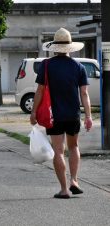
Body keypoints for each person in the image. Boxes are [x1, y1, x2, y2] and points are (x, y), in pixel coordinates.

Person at [30, 28, 93, 199]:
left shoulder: (47, 65)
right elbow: (84, 94)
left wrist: (34, 111)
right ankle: (74, 180)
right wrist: (88, 116)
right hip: (73, 114)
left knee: (58, 151)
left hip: (53, 116)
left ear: (54, 47)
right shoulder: (78, 67)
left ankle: (64, 189)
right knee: (74, 147)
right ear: (70, 47)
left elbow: (40, 90)